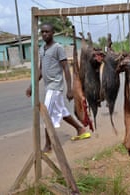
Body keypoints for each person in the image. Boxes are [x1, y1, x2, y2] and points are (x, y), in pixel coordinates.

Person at [26, 23, 90, 153]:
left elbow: (66, 67)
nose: (44, 34)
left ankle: (48, 146)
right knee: (62, 111)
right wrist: (32, 85)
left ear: (53, 33)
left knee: (47, 114)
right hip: (48, 85)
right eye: (42, 32)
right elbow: (40, 70)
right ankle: (80, 129)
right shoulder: (42, 49)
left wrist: (69, 88)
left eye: (47, 32)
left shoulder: (58, 48)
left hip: (55, 86)